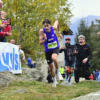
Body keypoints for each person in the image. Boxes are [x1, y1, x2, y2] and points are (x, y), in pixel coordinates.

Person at [39, 19, 63, 87]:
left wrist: (59, 32)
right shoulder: (42, 31)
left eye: (47, 25)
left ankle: (58, 73)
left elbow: (57, 21)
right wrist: (44, 40)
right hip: (48, 50)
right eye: (45, 26)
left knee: (54, 58)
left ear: (50, 25)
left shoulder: (53, 28)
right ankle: (54, 80)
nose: (46, 27)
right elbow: (40, 43)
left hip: (55, 47)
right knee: (51, 67)